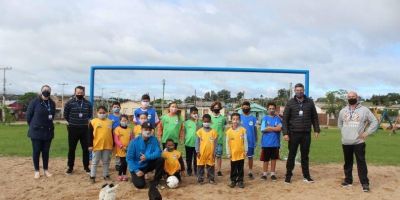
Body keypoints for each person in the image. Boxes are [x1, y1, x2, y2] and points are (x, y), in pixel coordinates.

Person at [338, 91, 378, 192]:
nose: (351, 98)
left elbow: (374, 122)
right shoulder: (343, 110)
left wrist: (367, 133)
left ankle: (365, 183)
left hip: (358, 142)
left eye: (353, 96)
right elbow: (339, 123)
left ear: (357, 97)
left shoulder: (364, 110)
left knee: (361, 163)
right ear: (347, 98)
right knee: (347, 162)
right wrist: (344, 132)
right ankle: (348, 180)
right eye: (349, 97)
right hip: (346, 142)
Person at [282, 83, 320, 184]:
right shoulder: (290, 103)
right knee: (291, 155)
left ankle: (306, 176)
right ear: (295, 91)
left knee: (305, 156)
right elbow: (285, 119)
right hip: (293, 133)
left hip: (306, 133)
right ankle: (288, 175)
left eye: (301, 90)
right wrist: (285, 133)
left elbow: (315, 117)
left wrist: (316, 130)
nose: (299, 91)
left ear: (303, 91)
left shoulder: (310, 102)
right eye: (297, 90)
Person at [26, 85, 56, 179]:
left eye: (48, 90)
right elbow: (28, 116)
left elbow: (52, 115)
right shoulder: (34, 102)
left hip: (48, 131)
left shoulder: (52, 103)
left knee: (46, 152)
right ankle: (36, 171)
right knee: (36, 151)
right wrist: (33, 125)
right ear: (41, 91)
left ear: (50, 92)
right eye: (44, 90)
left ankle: (46, 170)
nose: (46, 91)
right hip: (36, 131)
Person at [64, 85, 92, 175]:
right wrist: (72, 122)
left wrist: (84, 121)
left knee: (85, 149)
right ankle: (70, 167)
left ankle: (86, 167)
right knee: (72, 149)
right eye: (78, 92)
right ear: (75, 92)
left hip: (84, 129)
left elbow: (90, 114)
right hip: (73, 129)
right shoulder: (69, 103)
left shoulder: (88, 103)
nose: (79, 94)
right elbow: (65, 114)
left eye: (81, 92)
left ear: (84, 93)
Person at [127, 122, 164, 189]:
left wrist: (147, 157)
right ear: (141, 130)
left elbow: (158, 153)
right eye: (146, 129)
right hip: (137, 167)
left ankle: (156, 181)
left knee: (160, 159)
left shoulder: (154, 139)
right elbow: (129, 159)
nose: (148, 131)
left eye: (150, 129)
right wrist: (136, 170)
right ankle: (135, 176)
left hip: (147, 164)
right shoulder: (134, 142)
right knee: (140, 185)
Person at [88, 106, 113, 183]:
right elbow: (89, 135)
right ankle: (92, 176)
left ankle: (106, 175)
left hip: (107, 145)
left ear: (106, 113)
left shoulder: (110, 122)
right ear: (97, 113)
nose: (102, 114)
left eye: (103, 112)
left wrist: (113, 144)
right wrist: (90, 145)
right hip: (97, 145)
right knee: (95, 162)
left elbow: (111, 133)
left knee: (106, 161)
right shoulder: (93, 122)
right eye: (100, 113)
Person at [260, 102, 282, 181]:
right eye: (270, 109)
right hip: (266, 143)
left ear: (275, 109)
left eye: (273, 109)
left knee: (273, 159)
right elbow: (263, 129)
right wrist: (274, 128)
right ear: (267, 109)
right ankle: (264, 174)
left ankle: (273, 174)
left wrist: (269, 127)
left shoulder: (277, 118)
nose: (271, 110)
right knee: (266, 160)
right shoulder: (265, 118)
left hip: (275, 143)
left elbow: (279, 129)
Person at [226, 113, 247, 188]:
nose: (235, 121)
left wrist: (246, 150)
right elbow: (227, 143)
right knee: (233, 168)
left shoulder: (243, 130)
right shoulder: (229, 132)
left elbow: (245, 141)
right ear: (231, 120)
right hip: (233, 154)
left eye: (237, 119)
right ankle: (233, 180)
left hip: (241, 153)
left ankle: (240, 181)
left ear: (240, 120)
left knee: (240, 168)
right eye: (234, 119)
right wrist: (228, 153)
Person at [196, 114, 218, 185]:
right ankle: (200, 179)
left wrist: (214, 152)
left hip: (210, 153)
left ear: (210, 121)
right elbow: (197, 142)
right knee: (200, 166)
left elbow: (215, 143)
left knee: (211, 166)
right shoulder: (199, 131)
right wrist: (197, 151)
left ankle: (211, 178)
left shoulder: (214, 132)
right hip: (201, 153)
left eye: (208, 121)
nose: (206, 123)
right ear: (202, 121)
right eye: (205, 121)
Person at [239, 101, 257, 179]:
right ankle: (240, 172)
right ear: (241, 107)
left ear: (249, 108)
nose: (245, 108)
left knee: (250, 157)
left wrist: (256, 138)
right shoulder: (239, 117)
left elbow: (255, 129)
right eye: (244, 107)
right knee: (241, 157)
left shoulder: (253, 118)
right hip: (240, 141)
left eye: (247, 107)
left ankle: (250, 171)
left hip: (250, 141)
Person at [114, 114, 134, 181]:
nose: (124, 121)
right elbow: (116, 139)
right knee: (123, 162)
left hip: (128, 149)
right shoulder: (117, 129)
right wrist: (121, 146)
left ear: (127, 121)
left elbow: (132, 139)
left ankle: (124, 174)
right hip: (121, 149)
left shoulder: (129, 129)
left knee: (126, 162)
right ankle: (120, 174)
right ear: (120, 121)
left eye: (125, 120)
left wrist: (129, 147)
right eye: (122, 120)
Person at [183, 106, 202, 176]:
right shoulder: (186, 122)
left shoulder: (200, 123)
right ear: (190, 114)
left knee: (196, 158)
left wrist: (197, 122)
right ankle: (189, 170)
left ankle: (196, 170)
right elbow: (184, 132)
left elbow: (200, 131)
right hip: (188, 143)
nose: (195, 114)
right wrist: (184, 140)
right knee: (188, 158)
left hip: (197, 144)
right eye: (194, 113)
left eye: (196, 113)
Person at [210, 101, 226, 176]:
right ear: (212, 108)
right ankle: (211, 169)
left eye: (217, 107)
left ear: (220, 108)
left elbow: (223, 128)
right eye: (215, 107)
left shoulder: (223, 118)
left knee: (218, 156)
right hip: (210, 141)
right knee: (211, 155)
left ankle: (219, 170)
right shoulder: (209, 117)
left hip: (219, 140)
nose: (216, 108)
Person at [108, 101, 122, 171]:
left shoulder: (122, 116)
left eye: (117, 107)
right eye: (114, 107)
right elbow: (107, 127)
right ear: (112, 108)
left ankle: (118, 164)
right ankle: (107, 163)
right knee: (109, 150)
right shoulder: (109, 116)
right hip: (111, 136)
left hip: (119, 137)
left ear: (120, 108)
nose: (116, 108)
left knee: (118, 150)